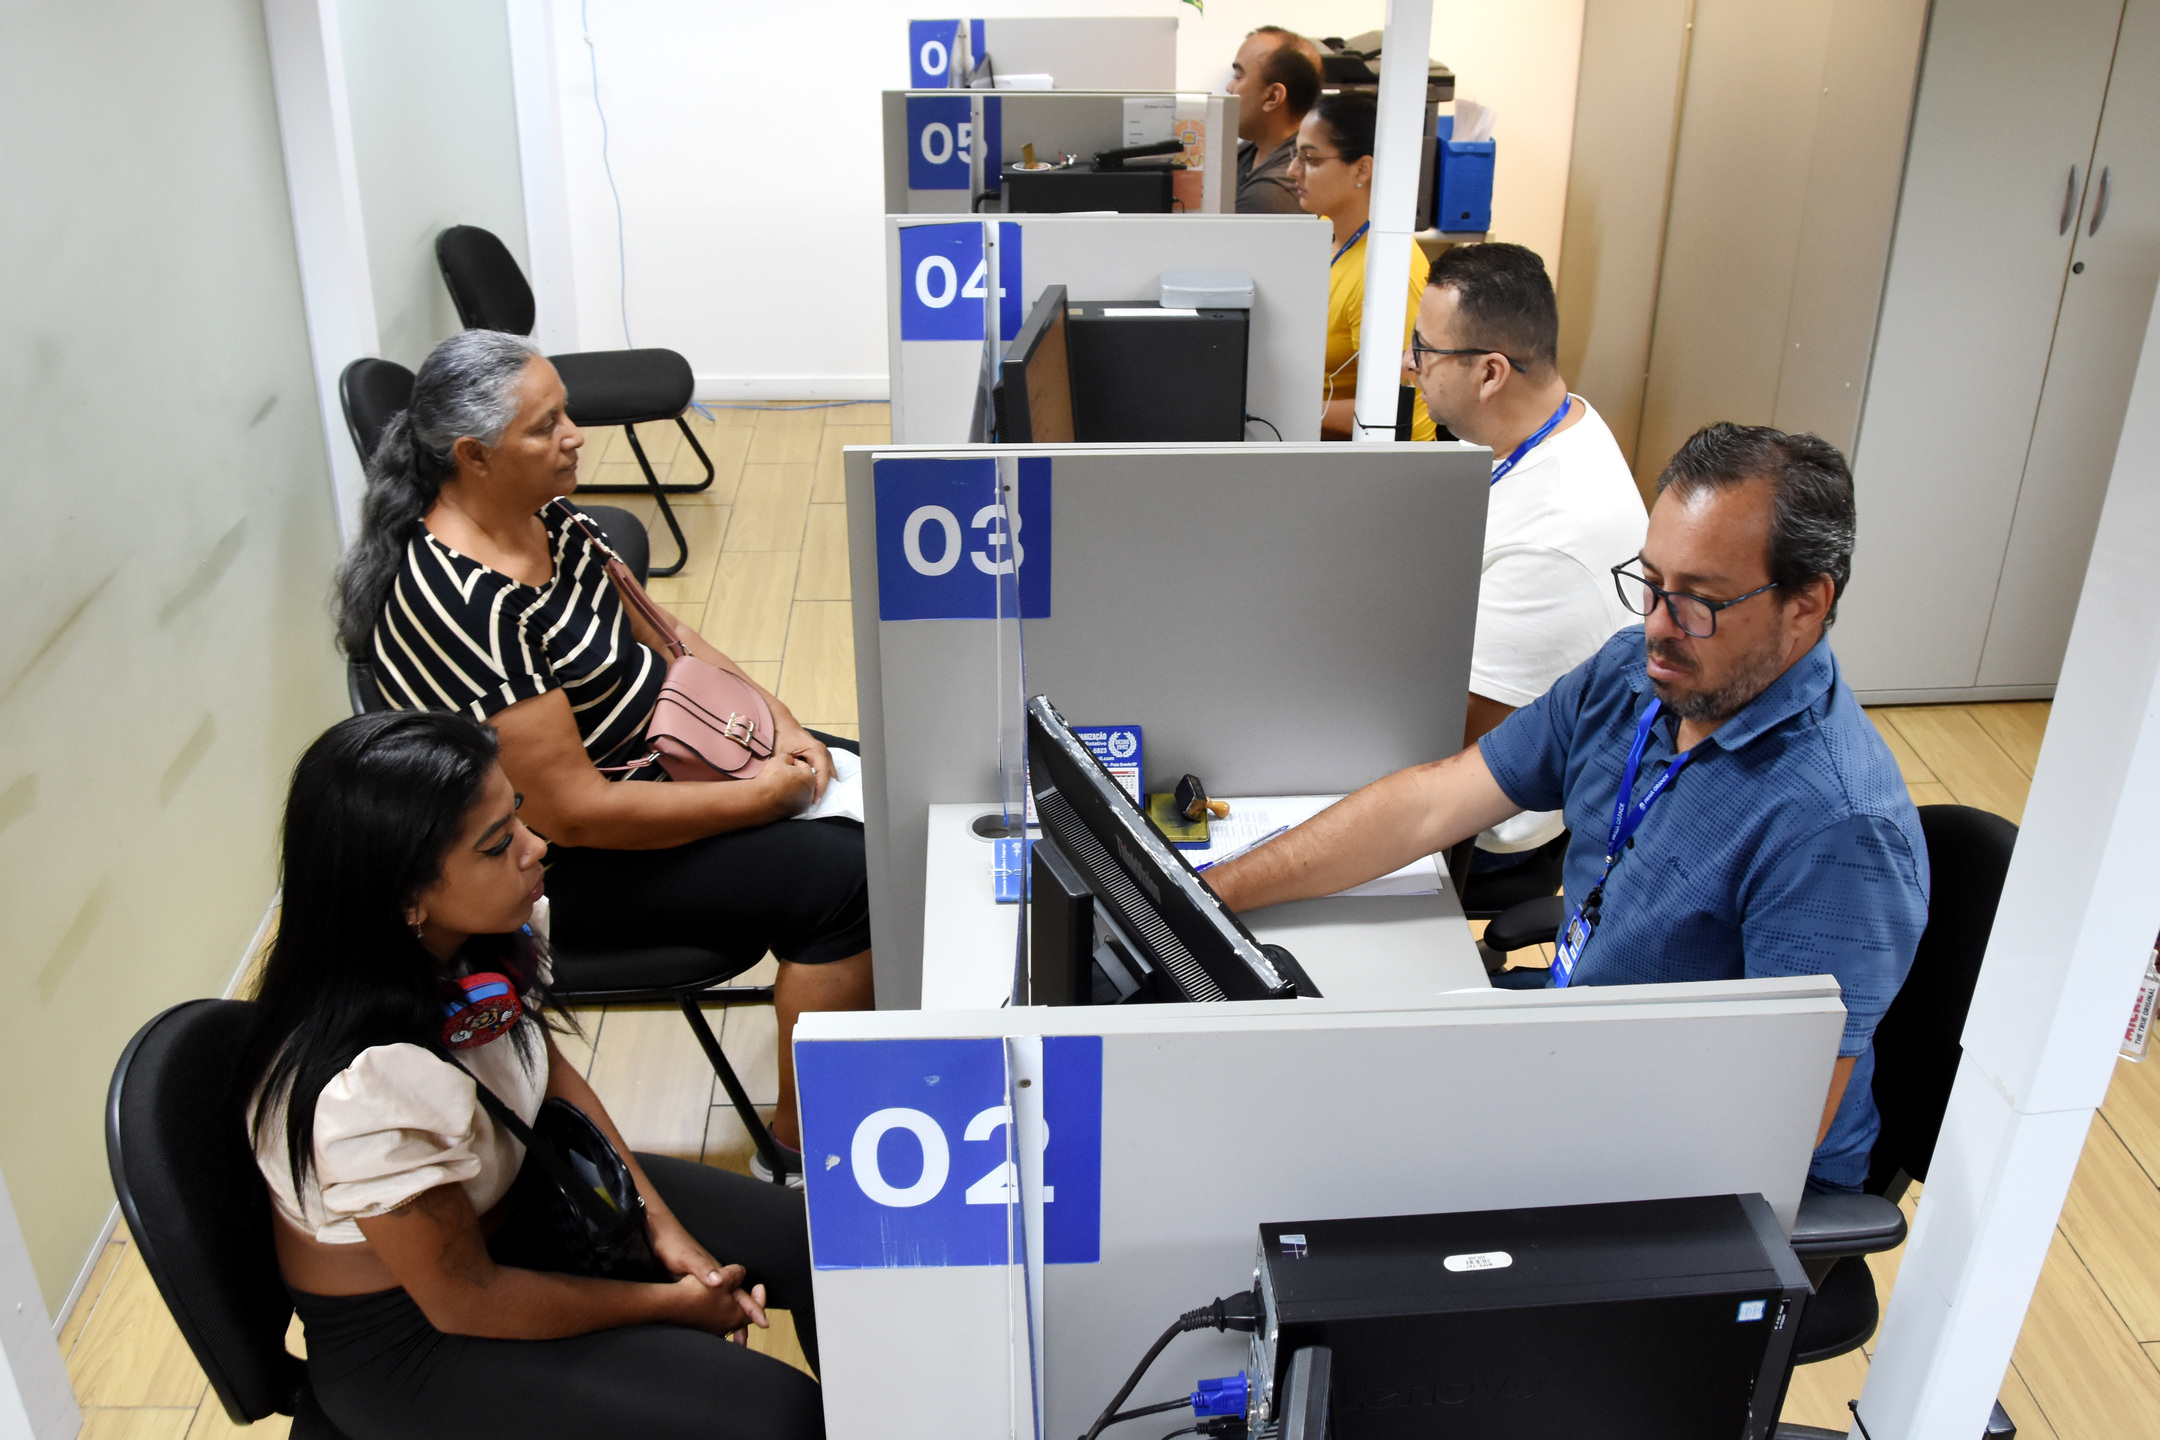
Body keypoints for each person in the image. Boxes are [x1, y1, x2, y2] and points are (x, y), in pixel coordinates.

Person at [1205, 425, 1928, 1193]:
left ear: (1806, 605)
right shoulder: (1635, 675)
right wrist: (1213, 895)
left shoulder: (1834, 829)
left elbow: (1769, 1139)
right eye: (1650, 583)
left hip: (1679, 1174)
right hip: (1574, 1053)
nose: (1656, 624)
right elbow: (1430, 805)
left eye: (1700, 602)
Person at [335, 329, 870, 1184]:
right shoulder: (465, 604)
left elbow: (672, 640)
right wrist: (763, 799)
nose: (576, 436)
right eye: (546, 427)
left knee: (862, 771)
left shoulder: (549, 519)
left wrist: (785, 724)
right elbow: (571, 813)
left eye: (567, 415)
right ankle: (808, 1157)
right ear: (473, 455)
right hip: (553, 871)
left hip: (658, 770)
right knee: (851, 875)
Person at [239, 711, 823, 1439]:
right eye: (496, 846)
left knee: (830, 1249)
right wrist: (673, 1305)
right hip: (418, 1336)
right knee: (778, 1417)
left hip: (525, 1195)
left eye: (514, 817)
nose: (536, 847)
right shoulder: (363, 1092)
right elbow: (468, 1300)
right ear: (404, 900)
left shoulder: (469, 935)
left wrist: (661, 1229)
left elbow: (541, 1070)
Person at [1407, 242, 1648, 876]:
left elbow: (1454, 744)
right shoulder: (1560, 423)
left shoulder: (1555, 539)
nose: (1412, 367)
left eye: (1426, 351)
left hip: (1501, 826)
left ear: (1490, 373)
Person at [1293, 91, 1437, 441]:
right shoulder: (1330, 237)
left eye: (1310, 159)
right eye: (1295, 156)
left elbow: (1403, 412)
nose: (1292, 171)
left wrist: (1286, 408)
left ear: (1362, 168)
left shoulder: (1389, 273)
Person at [1228, 26, 1322, 215]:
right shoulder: (1250, 150)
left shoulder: (1271, 195)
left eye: (1239, 77)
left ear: (1272, 97)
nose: (1230, 87)